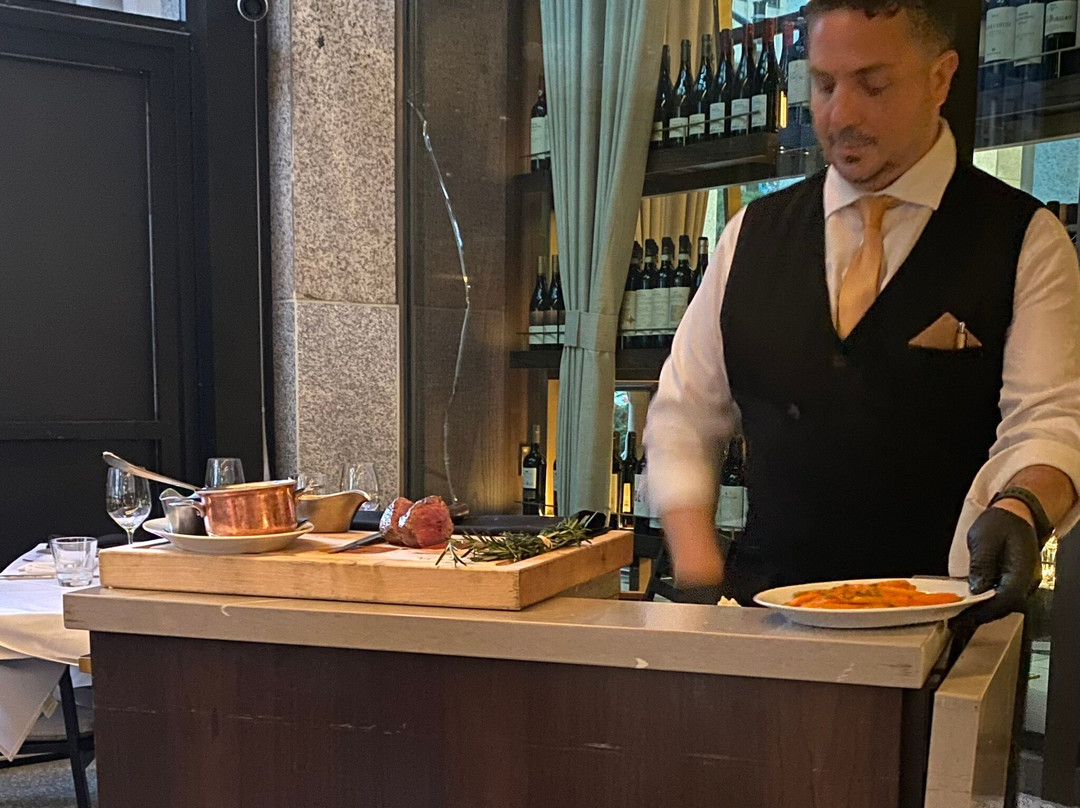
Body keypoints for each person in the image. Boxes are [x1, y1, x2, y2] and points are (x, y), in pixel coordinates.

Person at [643, 0, 1080, 631]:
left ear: (940, 78)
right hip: (768, 624)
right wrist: (697, 571)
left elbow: (1050, 418)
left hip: (946, 630)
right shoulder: (751, 236)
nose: (840, 115)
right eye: (823, 85)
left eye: (873, 86)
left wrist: (1021, 505)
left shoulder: (1025, 240)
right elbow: (684, 413)